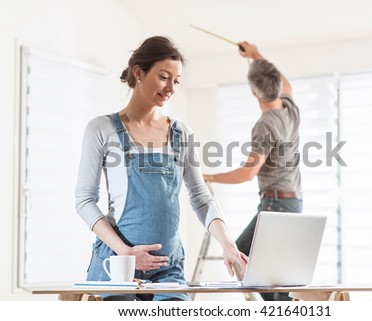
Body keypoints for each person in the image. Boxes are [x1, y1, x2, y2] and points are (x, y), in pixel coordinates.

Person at [75, 36, 247, 301]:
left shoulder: (181, 133)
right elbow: (85, 200)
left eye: (176, 81)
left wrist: (228, 245)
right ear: (138, 73)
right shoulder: (102, 129)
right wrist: (124, 251)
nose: (171, 88)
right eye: (164, 77)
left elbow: (201, 198)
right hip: (118, 265)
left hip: (168, 270)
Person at [203, 41, 302, 301]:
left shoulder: (265, 125)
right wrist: (256, 56)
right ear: (277, 87)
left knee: (240, 258)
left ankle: (276, 306)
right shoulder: (290, 109)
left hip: (275, 206)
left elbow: (248, 173)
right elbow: (287, 85)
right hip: (294, 204)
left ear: (253, 93)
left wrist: (208, 176)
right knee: (273, 277)